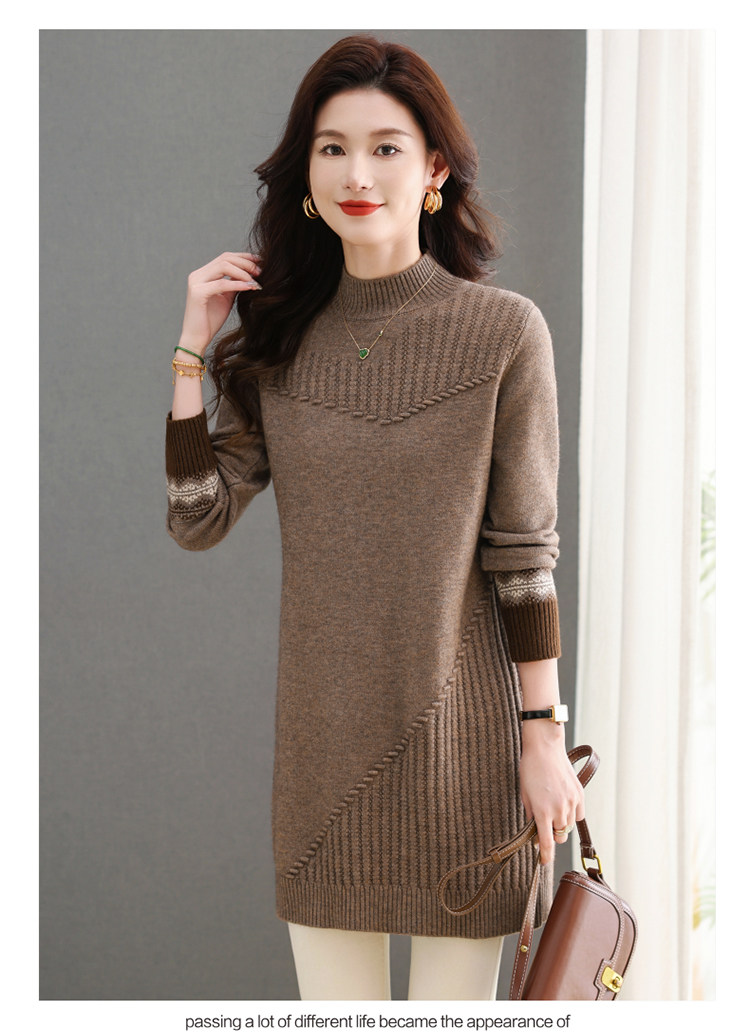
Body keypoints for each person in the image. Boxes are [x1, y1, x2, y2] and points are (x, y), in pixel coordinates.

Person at [164, 34, 584, 1001]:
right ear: (307, 175)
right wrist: (191, 353)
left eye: (387, 147)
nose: (358, 173)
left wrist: (541, 736)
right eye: (333, 148)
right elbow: (196, 517)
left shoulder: (503, 332)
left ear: (434, 170)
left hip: (469, 753)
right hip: (324, 763)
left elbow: (523, 555)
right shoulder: (278, 343)